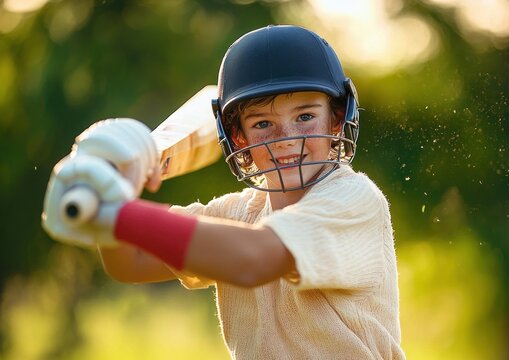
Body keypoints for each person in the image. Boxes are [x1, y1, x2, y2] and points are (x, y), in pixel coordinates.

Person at [42, 25, 406, 359]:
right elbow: (132, 263)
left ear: (338, 118)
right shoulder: (239, 215)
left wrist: (119, 214)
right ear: (238, 137)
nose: (286, 138)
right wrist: (117, 191)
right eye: (263, 123)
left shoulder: (355, 201)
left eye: (305, 116)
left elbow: (255, 259)